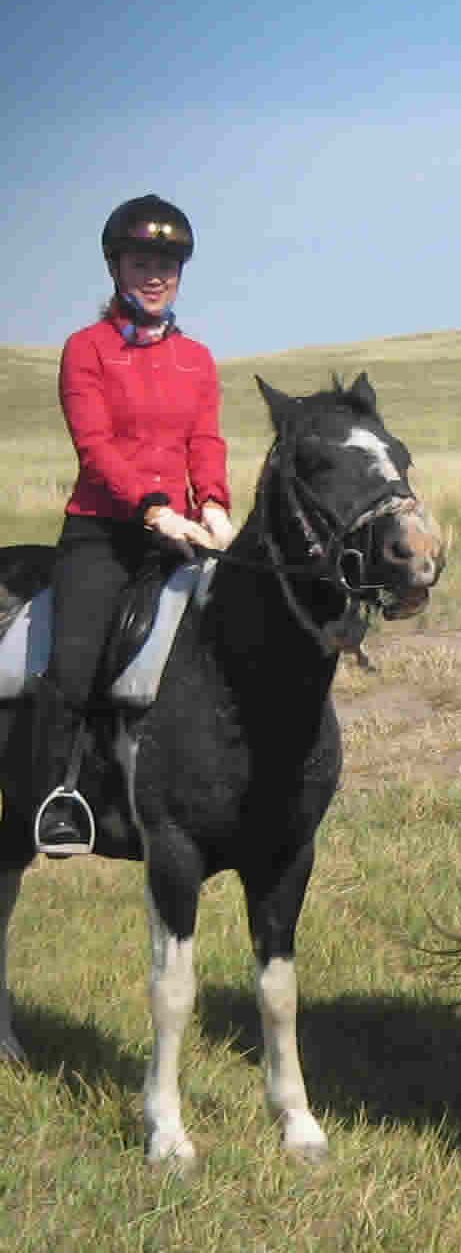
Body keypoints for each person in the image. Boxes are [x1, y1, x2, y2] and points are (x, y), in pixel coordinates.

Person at [31, 195, 234, 856]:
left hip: (179, 531)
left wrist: (213, 504)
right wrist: (152, 505)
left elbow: (205, 437)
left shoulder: (197, 360)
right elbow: (95, 446)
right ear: (116, 268)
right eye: (142, 261)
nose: (155, 274)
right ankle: (59, 796)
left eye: (167, 264)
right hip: (101, 534)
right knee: (76, 662)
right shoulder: (84, 350)